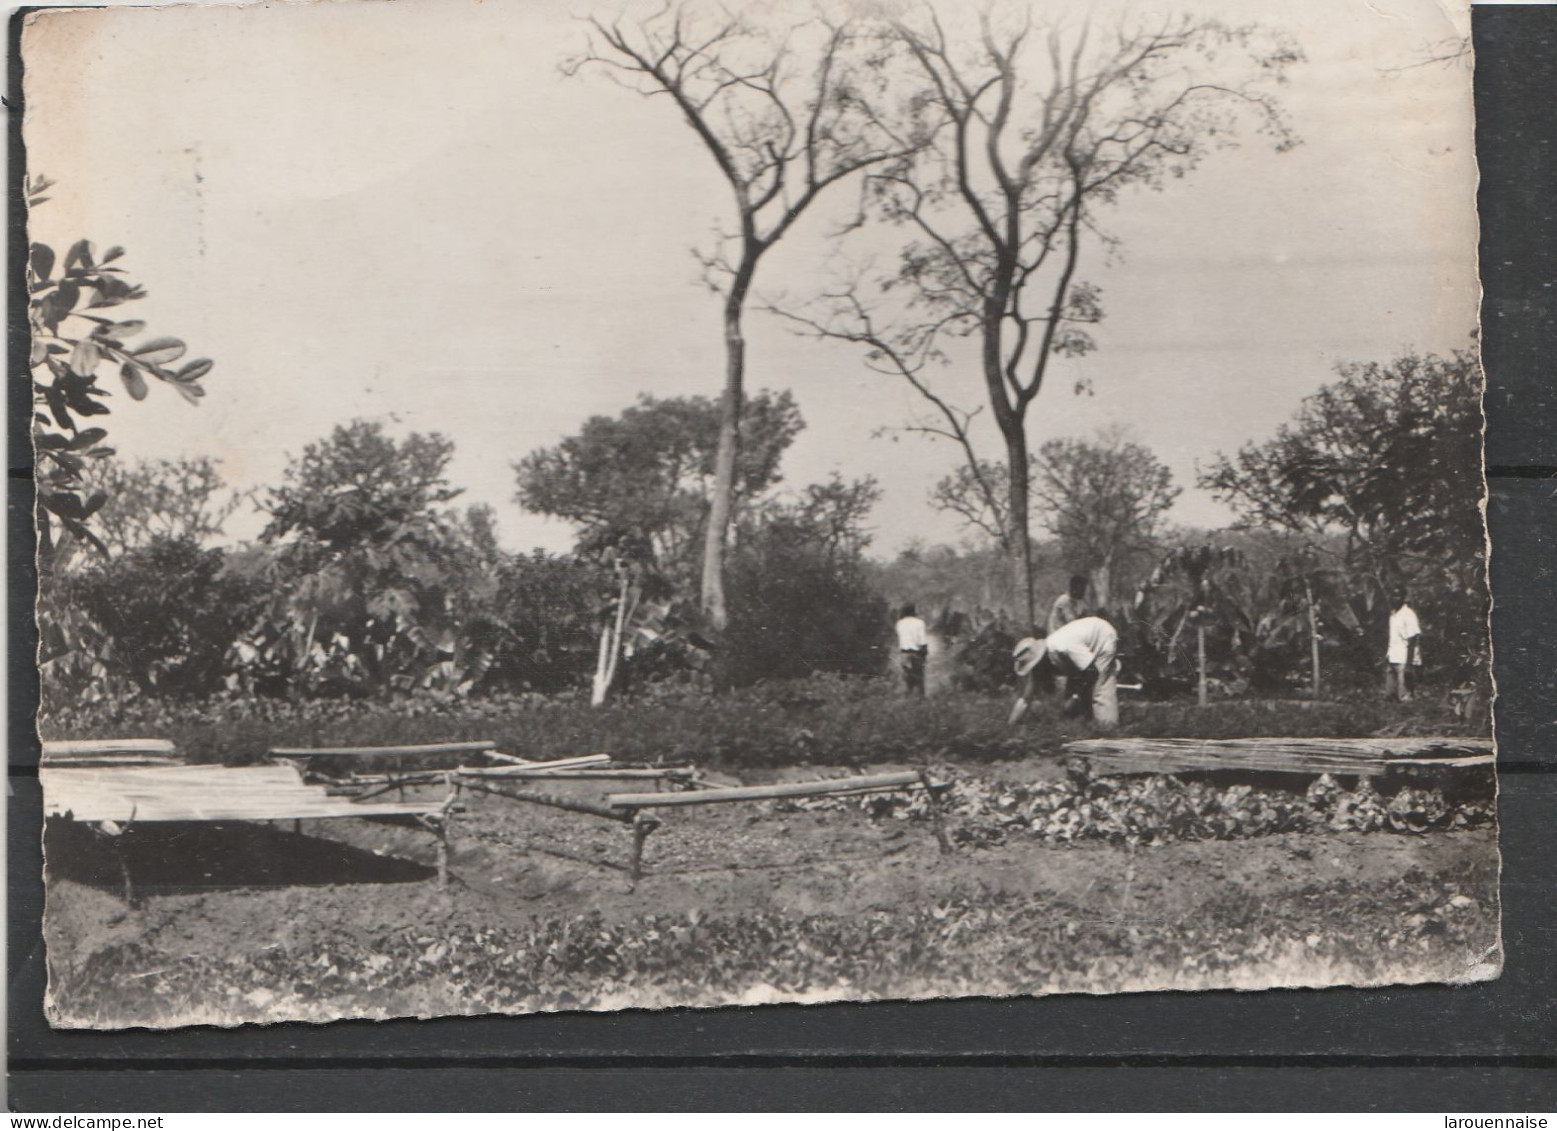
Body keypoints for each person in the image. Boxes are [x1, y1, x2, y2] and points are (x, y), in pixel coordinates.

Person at [1010, 615, 1120, 729]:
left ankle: (1105, 728)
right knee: (1073, 704)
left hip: (1102, 639)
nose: (1037, 671)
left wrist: (1076, 698)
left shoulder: (1063, 647)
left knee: (1098, 690)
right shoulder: (1044, 661)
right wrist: (1011, 725)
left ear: (1041, 658)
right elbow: (1025, 699)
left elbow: (1092, 673)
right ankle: (1084, 721)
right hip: (1084, 653)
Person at [1384, 585, 1422, 701]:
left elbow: (1413, 638)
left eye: (1398, 595)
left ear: (1403, 597)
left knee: (1404, 696)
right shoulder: (1393, 614)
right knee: (1390, 695)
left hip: (1404, 657)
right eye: (1393, 595)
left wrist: (1409, 664)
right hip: (1393, 656)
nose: (1395, 598)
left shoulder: (1408, 614)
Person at [894, 603, 929, 698]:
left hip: (904, 654)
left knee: (907, 679)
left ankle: (908, 699)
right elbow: (922, 640)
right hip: (916, 653)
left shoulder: (899, 623)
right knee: (919, 679)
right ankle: (921, 700)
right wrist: (925, 654)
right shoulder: (919, 622)